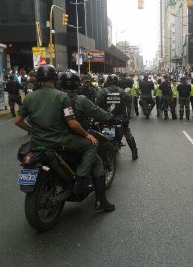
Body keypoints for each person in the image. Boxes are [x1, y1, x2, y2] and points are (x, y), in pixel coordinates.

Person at [14, 65, 103, 200]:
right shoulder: (61, 96)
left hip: (37, 143)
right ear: (55, 80)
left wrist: (33, 130)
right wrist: (86, 135)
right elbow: (72, 123)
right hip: (60, 141)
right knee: (92, 145)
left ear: (38, 79)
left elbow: (17, 121)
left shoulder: (30, 97)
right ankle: (81, 179)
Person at [58, 70, 115, 211]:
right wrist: (110, 117)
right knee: (97, 160)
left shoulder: (55, 97)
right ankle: (99, 199)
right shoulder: (80, 99)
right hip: (75, 137)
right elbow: (97, 111)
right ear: (77, 84)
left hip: (54, 138)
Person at [96, 74, 138, 160]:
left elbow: (97, 105)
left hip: (107, 118)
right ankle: (134, 153)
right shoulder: (122, 91)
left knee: (104, 134)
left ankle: (105, 154)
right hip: (120, 118)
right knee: (127, 132)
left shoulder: (102, 92)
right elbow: (129, 101)